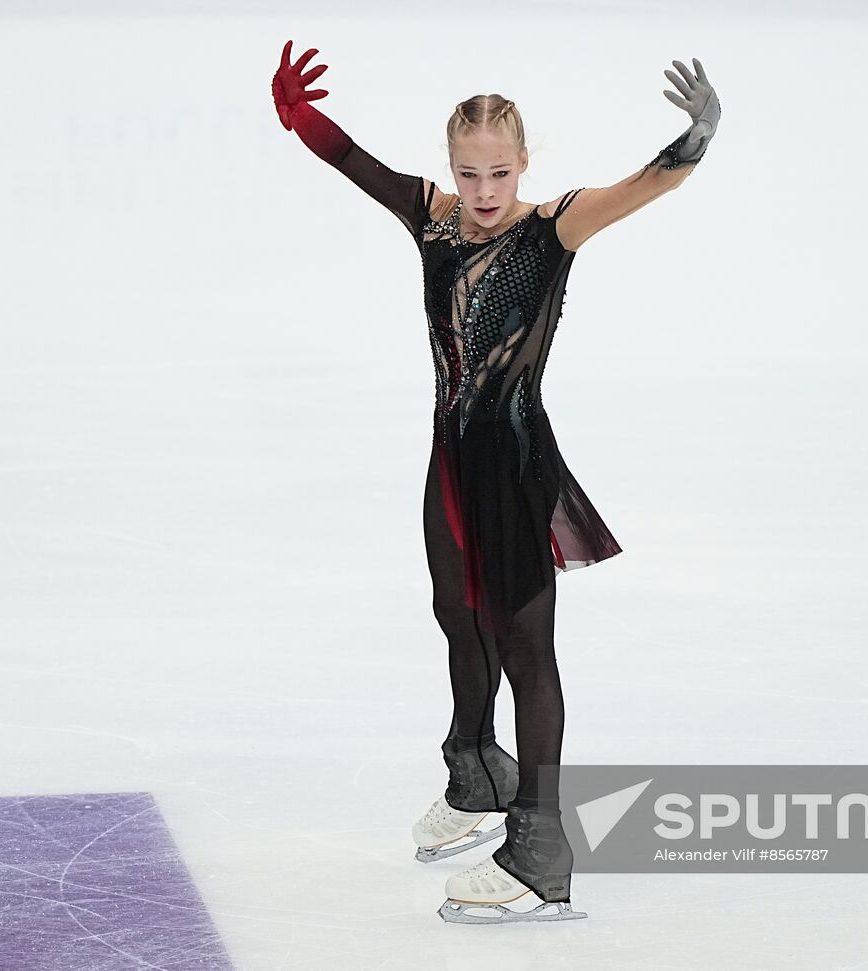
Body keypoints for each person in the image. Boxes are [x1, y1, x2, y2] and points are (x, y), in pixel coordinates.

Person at [271, 40, 719, 924]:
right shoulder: (430, 217)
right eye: (470, 173)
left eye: (500, 172)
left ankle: (542, 850)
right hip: (449, 463)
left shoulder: (553, 226)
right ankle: (475, 771)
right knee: (457, 617)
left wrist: (697, 137)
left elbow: (649, 184)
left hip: (513, 465)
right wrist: (298, 116)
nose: (484, 191)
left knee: (525, 649)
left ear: (524, 165)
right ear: (451, 167)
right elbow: (349, 160)